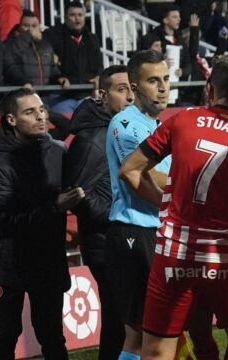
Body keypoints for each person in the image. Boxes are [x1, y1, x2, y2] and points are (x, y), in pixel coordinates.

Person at [119, 53, 228, 360]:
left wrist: (163, 203)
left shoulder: (182, 120)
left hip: (175, 256)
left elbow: (129, 170)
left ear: (209, 89)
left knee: (156, 351)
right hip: (225, 259)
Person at [0, 88, 85, 360]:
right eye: (30, 112)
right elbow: (5, 222)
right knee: (6, 334)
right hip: (9, 265)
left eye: (42, 110)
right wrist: (54, 207)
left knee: (52, 336)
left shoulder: (55, 151)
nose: (40, 116)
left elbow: (67, 126)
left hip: (47, 260)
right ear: (11, 120)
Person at [63, 65, 134, 360]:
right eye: (122, 90)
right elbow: (72, 194)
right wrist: (119, 213)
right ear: (103, 96)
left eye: (132, 88)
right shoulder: (91, 140)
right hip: (105, 243)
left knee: (126, 322)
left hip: (123, 238)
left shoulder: (123, 129)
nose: (130, 96)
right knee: (121, 323)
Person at [104, 49, 171, 360]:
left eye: (166, 79)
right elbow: (141, 176)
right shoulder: (124, 124)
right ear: (134, 86)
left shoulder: (158, 126)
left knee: (158, 329)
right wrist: (180, 197)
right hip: (133, 233)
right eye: (153, 80)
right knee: (138, 332)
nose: (162, 87)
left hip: (157, 232)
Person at [44, 1, 103, 113]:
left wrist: (99, 76)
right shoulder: (52, 36)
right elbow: (47, 64)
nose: (77, 19)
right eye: (73, 15)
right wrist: (58, 77)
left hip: (86, 96)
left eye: (80, 15)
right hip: (61, 96)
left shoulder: (92, 39)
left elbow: (99, 64)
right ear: (65, 18)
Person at [5, 10, 70, 89]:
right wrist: (28, 36)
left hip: (44, 95)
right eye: (26, 26)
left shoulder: (46, 45)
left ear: (39, 27)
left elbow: (52, 69)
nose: (30, 30)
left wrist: (60, 78)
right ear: (19, 27)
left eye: (34, 26)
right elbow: (11, 65)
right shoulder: (10, 43)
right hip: (22, 94)